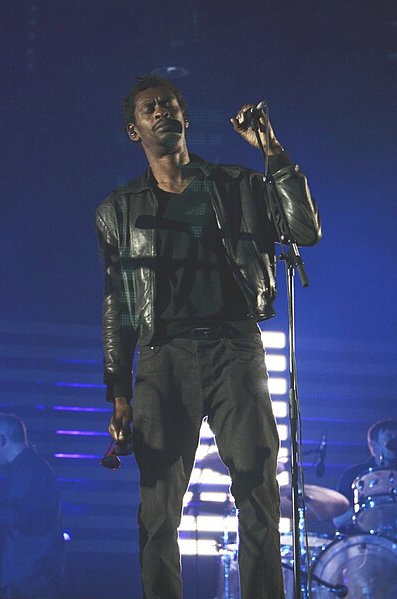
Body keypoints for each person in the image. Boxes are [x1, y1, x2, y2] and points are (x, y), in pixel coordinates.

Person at [95, 75, 321, 599]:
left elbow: (304, 230)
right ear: (135, 129)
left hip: (234, 349)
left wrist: (273, 150)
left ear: (185, 118)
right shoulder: (118, 209)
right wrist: (119, 390)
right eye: (150, 108)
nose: (162, 111)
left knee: (259, 491)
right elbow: (119, 303)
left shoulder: (237, 183)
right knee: (158, 511)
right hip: (162, 358)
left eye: (170, 104)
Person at [0, 414, 64, 599]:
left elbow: (22, 518)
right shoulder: (29, 471)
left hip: (31, 579)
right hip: (27, 577)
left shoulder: (31, 472)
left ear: (2, 440)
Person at [335, 418, 397, 532]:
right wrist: (366, 508)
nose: (394, 441)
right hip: (363, 542)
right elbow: (338, 520)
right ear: (374, 446)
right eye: (389, 437)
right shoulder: (353, 475)